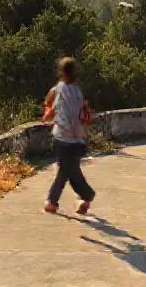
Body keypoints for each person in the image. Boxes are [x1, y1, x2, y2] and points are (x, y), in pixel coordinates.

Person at [41, 56, 96, 215]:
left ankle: (86, 195)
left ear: (61, 72)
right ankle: (58, 201)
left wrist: (47, 116)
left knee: (68, 169)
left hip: (63, 137)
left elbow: (50, 105)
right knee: (67, 169)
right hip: (79, 138)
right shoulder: (78, 91)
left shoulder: (59, 88)